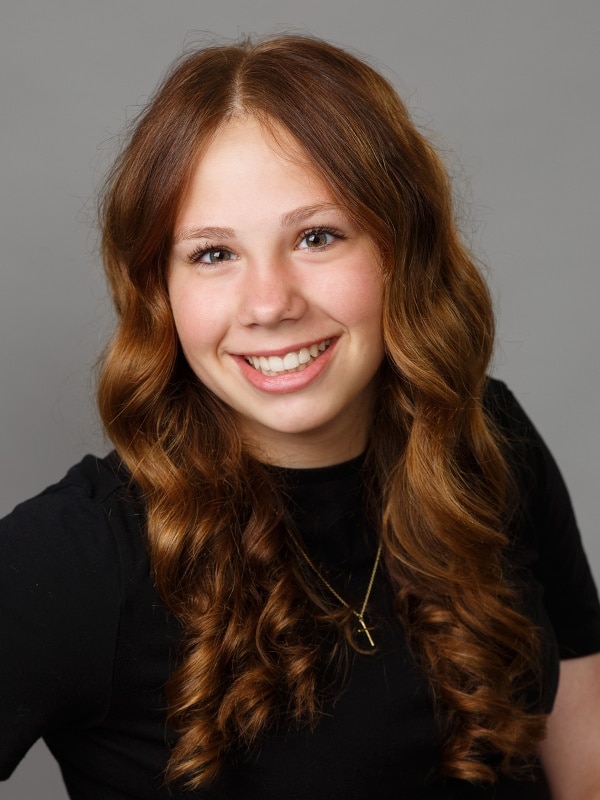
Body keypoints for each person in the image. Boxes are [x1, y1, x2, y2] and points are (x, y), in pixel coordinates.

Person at [1, 34, 599, 800]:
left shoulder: (485, 438)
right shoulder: (80, 555)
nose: (269, 304)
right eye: (213, 254)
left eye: (317, 237)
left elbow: (583, 745)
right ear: (160, 289)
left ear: (399, 249)